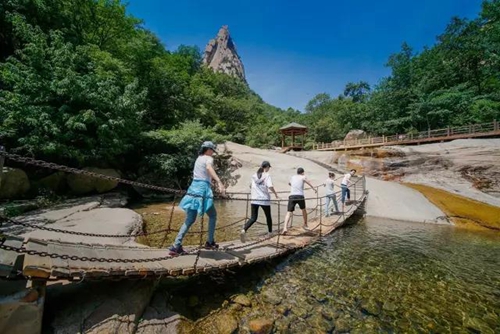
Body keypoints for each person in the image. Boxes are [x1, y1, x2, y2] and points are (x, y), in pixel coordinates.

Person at [169, 141, 226, 256]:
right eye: (212, 150)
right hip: (202, 189)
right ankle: (210, 242)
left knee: (190, 219)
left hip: (193, 188)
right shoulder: (208, 158)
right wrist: (219, 182)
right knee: (213, 215)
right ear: (209, 150)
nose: (213, 152)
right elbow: (209, 168)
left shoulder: (198, 158)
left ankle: (176, 245)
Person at [240, 161, 279, 243]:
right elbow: (270, 186)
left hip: (254, 199)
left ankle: (244, 229)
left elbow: (251, 186)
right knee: (268, 216)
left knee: (253, 218)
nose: (269, 169)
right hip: (264, 199)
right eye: (269, 167)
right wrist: (276, 194)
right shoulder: (267, 175)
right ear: (267, 167)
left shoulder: (254, 175)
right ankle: (270, 233)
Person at [282, 167, 317, 234]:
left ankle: (285, 228)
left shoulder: (293, 177)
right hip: (300, 196)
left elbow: (289, 183)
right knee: (303, 210)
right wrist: (314, 189)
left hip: (292, 196)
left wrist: (294, 186)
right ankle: (305, 225)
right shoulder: (303, 177)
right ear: (302, 172)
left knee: (289, 212)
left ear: (297, 172)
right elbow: (308, 183)